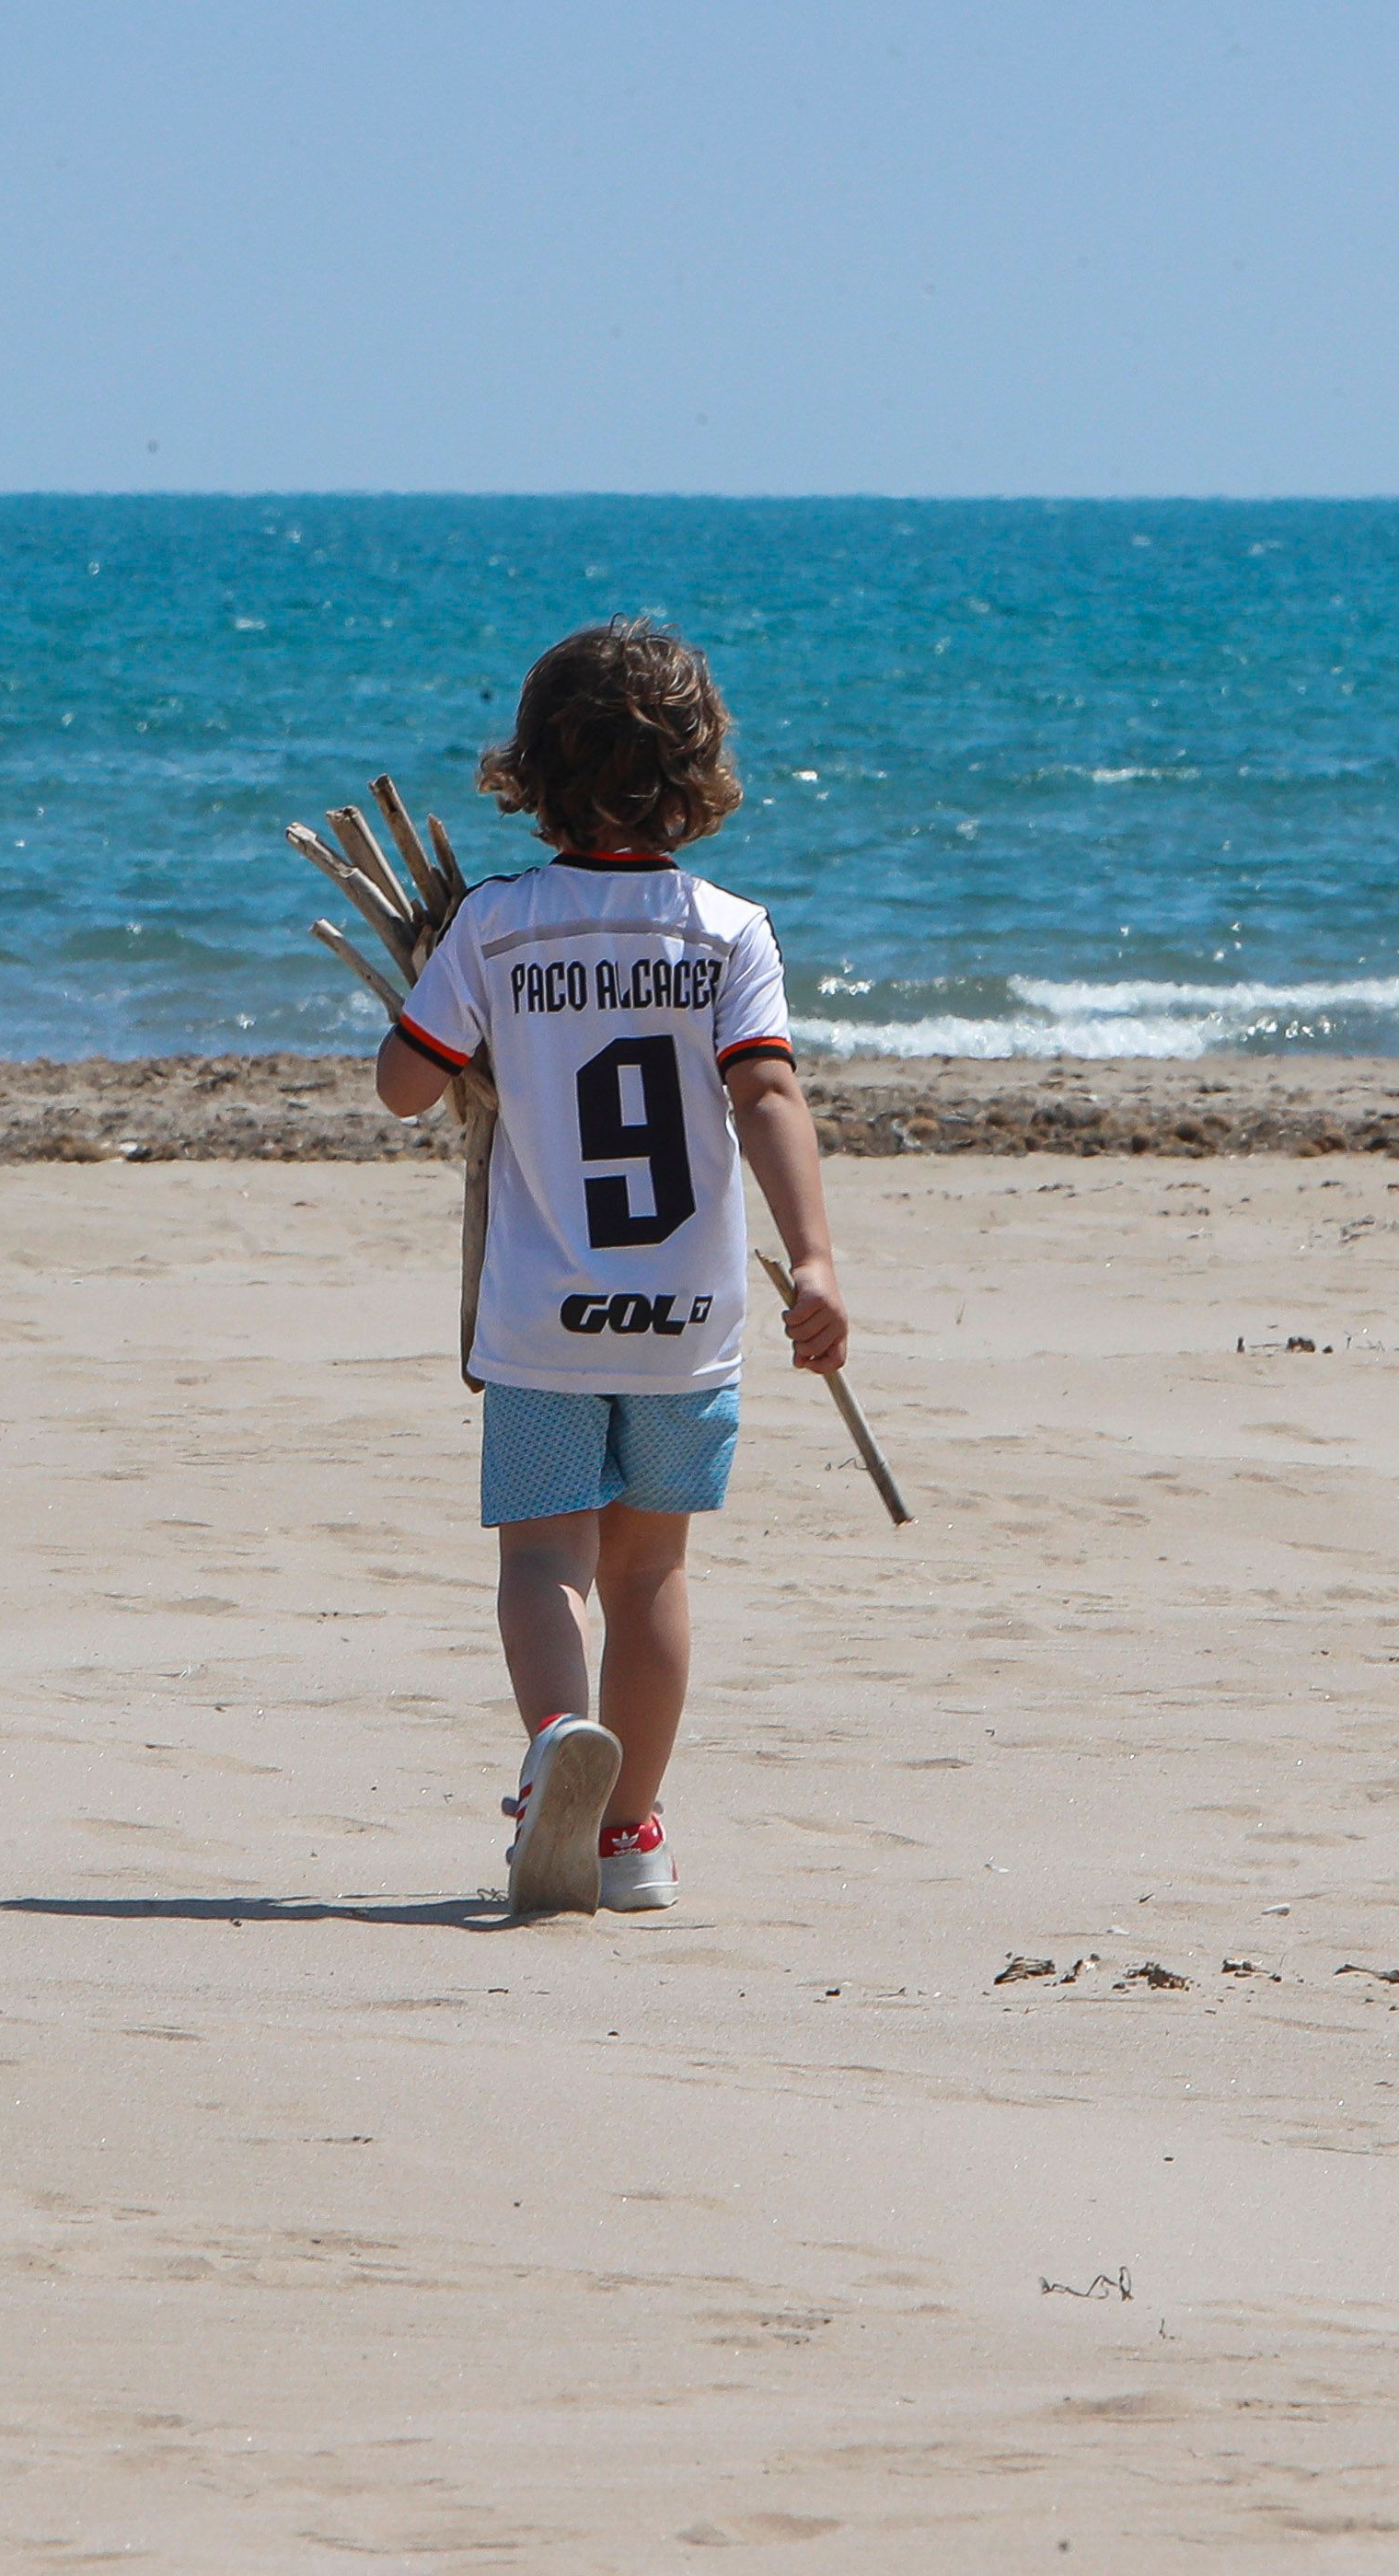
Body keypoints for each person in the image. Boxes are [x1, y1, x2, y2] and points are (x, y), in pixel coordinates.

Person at [373, 619, 849, 1916]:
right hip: (685, 1318)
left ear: (531, 768)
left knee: (546, 1563)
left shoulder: (497, 925)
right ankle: (630, 1829)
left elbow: (405, 1087)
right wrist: (813, 1257)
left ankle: (553, 1750)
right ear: (697, 773)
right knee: (651, 1573)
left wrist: (432, 992)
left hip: (543, 1317)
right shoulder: (727, 931)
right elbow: (766, 1096)